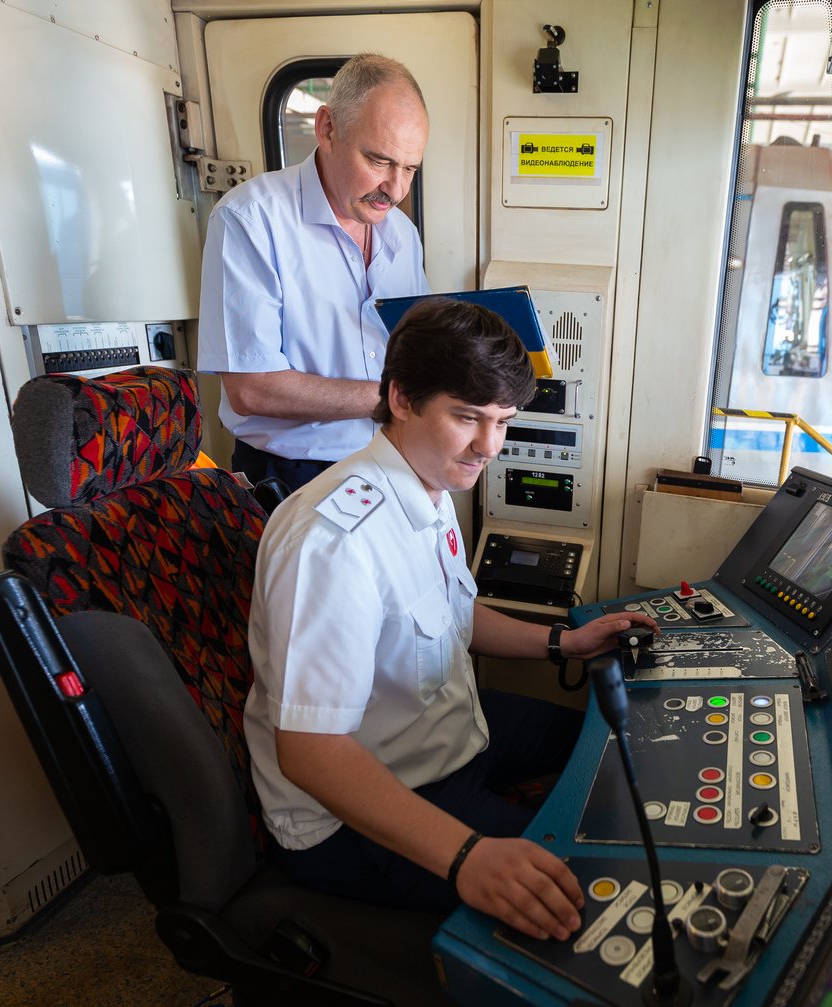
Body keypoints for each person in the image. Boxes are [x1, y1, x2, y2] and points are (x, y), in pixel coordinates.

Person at [244, 297, 658, 943]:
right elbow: (310, 752)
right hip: (350, 815)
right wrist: (467, 856)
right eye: (467, 417)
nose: (489, 446)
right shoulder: (334, 541)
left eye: (503, 421)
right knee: (591, 884)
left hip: (444, 731)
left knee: (611, 742)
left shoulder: (429, 484)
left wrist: (563, 642)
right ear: (402, 398)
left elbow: (451, 611)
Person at [197, 53, 431, 491]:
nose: (396, 190)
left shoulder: (402, 233)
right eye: (379, 161)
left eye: (410, 168)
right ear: (327, 129)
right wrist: (391, 399)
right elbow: (251, 389)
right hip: (289, 476)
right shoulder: (251, 219)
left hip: (389, 464)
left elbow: (413, 347)